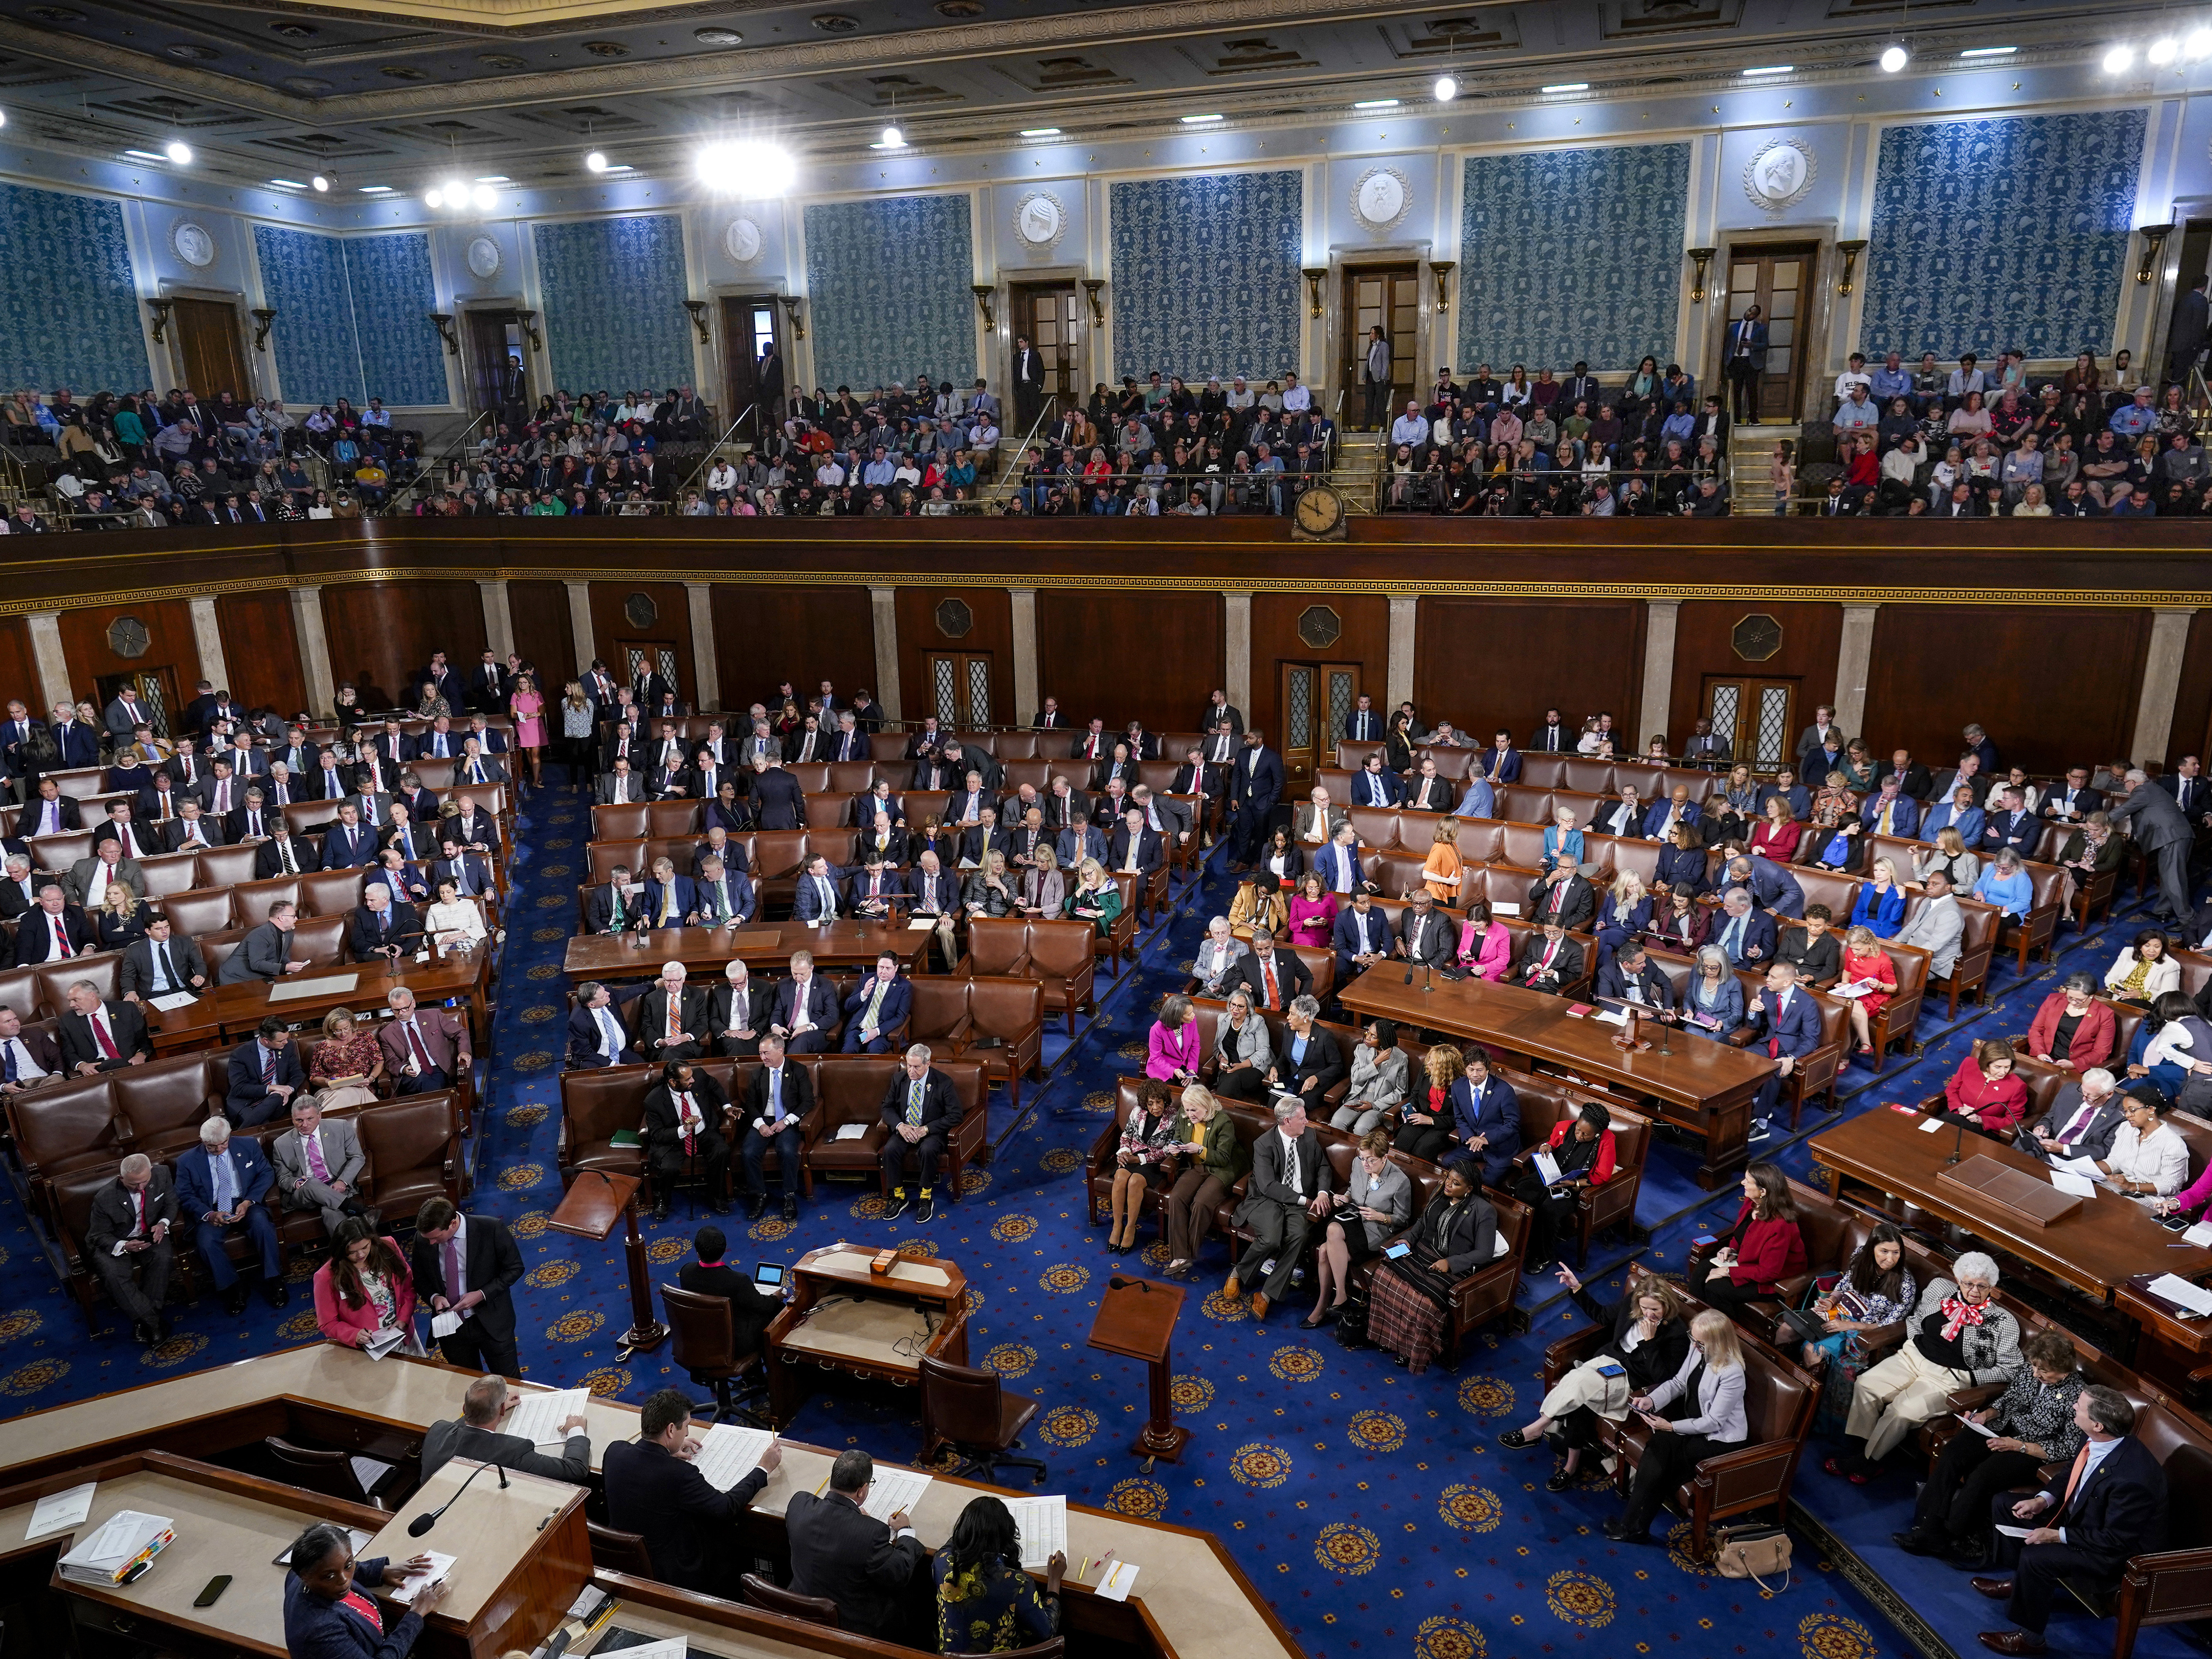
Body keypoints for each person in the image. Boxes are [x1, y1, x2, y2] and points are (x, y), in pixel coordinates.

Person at [1972, 1386, 2167, 1656]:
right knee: (2005, 1504)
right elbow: (2070, 1472)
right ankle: (2020, 1584)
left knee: (2037, 1558)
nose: (2074, 1407)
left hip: (2113, 1552)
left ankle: (2030, 1639)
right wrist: (2042, 1500)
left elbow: (2115, 1540)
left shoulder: (2133, 1479)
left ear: (2098, 1424)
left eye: (2080, 1406)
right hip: (2082, 1521)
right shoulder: (2094, 1439)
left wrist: (2056, 1535)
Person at [1893, 1329, 2086, 1565]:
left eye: (2044, 1371)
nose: (2036, 1374)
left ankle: (1949, 1534)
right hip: (2004, 1426)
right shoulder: (2030, 1370)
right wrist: (1986, 1415)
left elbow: (2067, 1448)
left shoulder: (2078, 1395)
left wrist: (2019, 1446)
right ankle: (1928, 1523)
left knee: (1983, 1475)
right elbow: (2009, 1399)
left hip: (2033, 1449)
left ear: (2065, 1368)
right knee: (1954, 1452)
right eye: (2034, 1367)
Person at [1832, 1251, 2022, 1480]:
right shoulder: (1939, 1289)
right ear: (1959, 1280)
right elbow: (1915, 1319)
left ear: (1992, 1287)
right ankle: (1858, 1448)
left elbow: (2013, 1369)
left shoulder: (2003, 1322)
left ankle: (1869, 1462)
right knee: (1866, 1385)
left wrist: (1972, 1378)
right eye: (1968, 1284)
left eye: (1982, 1286)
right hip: (1912, 1358)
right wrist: (1914, 1343)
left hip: (1949, 1378)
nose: (1974, 1291)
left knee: (1901, 1411)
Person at [1499, 1266, 1688, 1492]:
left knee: (1581, 1382)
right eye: (1644, 1308)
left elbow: (1664, 1377)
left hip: (1632, 1380)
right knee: (1582, 1394)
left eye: (1654, 1310)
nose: (1648, 1314)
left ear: (1666, 1305)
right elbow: (1602, 1315)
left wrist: (1650, 1343)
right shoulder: (1632, 1304)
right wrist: (1577, 1288)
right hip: (1607, 1363)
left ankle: (1537, 1428)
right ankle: (1571, 1465)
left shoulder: (1676, 1334)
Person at [604, 1387, 780, 1597]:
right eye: (686, 1426)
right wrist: (763, 1469)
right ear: (671, 1430)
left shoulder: (614, 1451)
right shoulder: (679, 1474)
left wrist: (668, 1450)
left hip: (622, 1561)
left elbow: (642, 1462)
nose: (687, 1433)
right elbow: (725, 1507)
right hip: (672, 1573)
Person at [1601, 1310, 1750, 1543]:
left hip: (1718, 1439)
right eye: (1693, 1338)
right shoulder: (1698, 1350)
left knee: (1663, 1458)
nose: (1694, 1345)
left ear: (1717, 1342)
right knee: (1658, 1448)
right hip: (1692, 1426)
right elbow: (1679, 1383)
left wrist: (1671, 1426)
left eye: (1701, 1342)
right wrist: (1652, 1400)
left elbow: (1714, 1422)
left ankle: (1633, 1526)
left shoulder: (1732, 1372)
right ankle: (1633, 1526)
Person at [1363, 1162, 1496, 1373]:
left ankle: (1410, 1351)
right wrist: (1407, 1239)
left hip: (1452, 1265)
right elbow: (1422, 1223)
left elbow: (1484, 1252)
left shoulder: (1483, 1211)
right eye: (1448, 1179)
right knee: (1383, 1276)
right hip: (1422, 1251)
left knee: (1423, 1303)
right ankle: (1388, 1337)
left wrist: (1451, 1263)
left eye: (1456, 1183)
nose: (1449, 1185)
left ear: (1469, 1189)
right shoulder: (1439, 1194)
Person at [786, 1447, 929, 1643]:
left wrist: (853, 1518)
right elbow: (899, 1572)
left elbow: (827, 1527)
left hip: (800, 1607)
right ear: (861, 1491)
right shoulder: (872, 1533)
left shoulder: (798, 1503)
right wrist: (905, 1531)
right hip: (849, 1625)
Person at [1227, 1097, 1332, 1320]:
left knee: (1299, 1235)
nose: (1307, 1122)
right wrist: (1306, 1201)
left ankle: (1266, 1294)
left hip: (1299, 1202)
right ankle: (1240, 1272)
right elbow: (1268, 1186)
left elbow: (1323, 1166)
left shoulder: (1309, 1137)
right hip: (1268, 1199)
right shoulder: (1264, 1144)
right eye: (1302, 1119)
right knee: (1272, 1239)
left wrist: (1322, 1192)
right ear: (1287, 1121)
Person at [282, 1520, 448, 1659]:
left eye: (349, 1565)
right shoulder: (320, 1632)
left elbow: (336, 1565)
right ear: (305, 1577)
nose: (344, 1580)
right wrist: (416, 1615)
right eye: (329, 1577)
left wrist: (381, 1571)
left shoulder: (299, 1575)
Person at [1304, 1129, 1412, 1329]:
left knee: (1327, 1248)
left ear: (1384, 1158)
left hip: (1376, 1232)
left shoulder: (1400, 1181)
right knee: (1332, 1235)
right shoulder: (1358, 1164)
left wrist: (1381, 1216)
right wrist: (1344, 1198)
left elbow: (1403, 1220)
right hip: (1353, 1219)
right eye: (1362, 1158)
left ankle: (1325, 1305)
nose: (1365, 1164)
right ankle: (1339, 1298)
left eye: (1370, 1160)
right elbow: (1353, 1191)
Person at [178, 1115, 284, 1314]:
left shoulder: (248, 1145)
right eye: (212, 1147)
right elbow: (185, 1195)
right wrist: (209, 1215)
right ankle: (235, 1288)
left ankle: (275, 1280)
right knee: (206, 1242)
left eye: (223, 1144)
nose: (219, 1149)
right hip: (212, 1209)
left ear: (230, 1136)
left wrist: (249, 1201)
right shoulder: (187, 1161)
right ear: (203, 1141)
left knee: (262, 1224)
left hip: (245, 1202)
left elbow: (266, 1173)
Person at [934, 1492, 1065, 1653]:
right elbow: (1046, 1633)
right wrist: (1054, 1581)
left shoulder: (942, 1562)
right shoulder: (1018, 1584)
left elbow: (954, 1542)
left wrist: (973, 1527)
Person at [410, 1197, 524, 1376]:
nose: (431, 1243)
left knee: (509, 1382)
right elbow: (420, 1279)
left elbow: (515, 1268)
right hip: (451, 1327)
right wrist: (435, 1297)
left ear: (453, 1223)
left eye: (436, 1238)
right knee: (467, 1383)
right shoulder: (423, 1239)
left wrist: (481, 1294)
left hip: (491, 1321)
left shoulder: (491, 1229)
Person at [1787, 1221, 1915, 1377]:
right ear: (1872, 1249)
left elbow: (1890, 1324)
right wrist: (1831, 1300)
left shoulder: (1906, 1284)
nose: (1890, 1259)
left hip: (1864, 1327)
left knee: (1812, 1351)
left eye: (1896, 1252)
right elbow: (1845, 1284)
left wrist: (1850, 1325)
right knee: (1787, 1329)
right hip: (1838, 1310)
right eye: (1884, 1251)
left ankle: (1808, 1391)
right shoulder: (1861, 1256)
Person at [422, 1370, 589, 1483]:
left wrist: (490, 1407)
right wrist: (576, 1430)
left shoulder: (438, 1430)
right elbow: (575, 1470)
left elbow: (463, 1427)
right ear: (502, 1409)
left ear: (464, 1409)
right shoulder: (513, 1451)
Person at [1511, 1100, 1616, 1274]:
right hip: (1551, 1175)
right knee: (1523, 1191)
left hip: (1573, 1187)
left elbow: (1602, 1176)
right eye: (1579, 1130)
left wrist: (1574, 1184)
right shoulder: (1565, 1126)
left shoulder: (1607, 1141)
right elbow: (1552, 1143)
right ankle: (1523, 1244)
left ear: (1597, 1134)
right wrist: (1547, 1147)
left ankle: (1543, 1255)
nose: (1580, 1136)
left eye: (1586, 1135)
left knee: (1549, 1208)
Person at [1694, 1160, 1807, 1313]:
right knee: (1702, 1269)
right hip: (1747, 1264)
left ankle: (1721, 1333)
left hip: (1774, 1281)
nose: (1742, 1183)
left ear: (1763, 1191)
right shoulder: (1751, 1202)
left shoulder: (1781, 1226)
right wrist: (1732, 1249)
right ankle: (1696, 1319)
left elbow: (1768, 1273)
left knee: (1715, 1288)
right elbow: (1742, 1232)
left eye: (1748, 1181)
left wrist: (1728, 1271)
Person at [86, 1153, 176, 1345]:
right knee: (113, 1276)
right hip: (115, 1241)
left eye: (144, 1182)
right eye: (134, 1184)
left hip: (148, 1235)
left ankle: (143, 1322)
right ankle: (153, 1322)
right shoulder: (105, 1198)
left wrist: (163, 1224)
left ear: (151, 1171)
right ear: (121, 1179)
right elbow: (98, 1236)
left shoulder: (162, 1174)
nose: (141, 1188)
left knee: (163, 1258)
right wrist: (124, 1245)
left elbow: (171, 1203)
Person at [312, 1217, 418, 1354]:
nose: (360, 1255)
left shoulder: (388, 1247)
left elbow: (408, 1288)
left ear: (372, 1240)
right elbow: (328, 1323)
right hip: (367, 1347)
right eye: (352, 1252)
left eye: (365, 1247)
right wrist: (354, 1335)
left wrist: (404, 1318)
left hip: (401, 1335)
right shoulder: (326, 1277)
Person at [679, 1223, 782, 1362]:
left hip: (698, 1338)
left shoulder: (686, 1272)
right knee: (776, 1311)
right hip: (733, 1344)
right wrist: (776, 1298)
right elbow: (762, 1306)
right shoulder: (738, 1281)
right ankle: (763, 1375)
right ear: (724, 1250)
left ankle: (755, 1376)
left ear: (697, 1252)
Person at [644, 1060, 732, 1222]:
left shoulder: (698, 1076)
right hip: (674, 1140)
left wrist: (727, 1106)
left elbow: (714, 1086)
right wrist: (684, 1129)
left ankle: (717, 1196)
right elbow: (657, 1134)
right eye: (687, 1080)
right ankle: (663, 1201)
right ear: (673, 1082)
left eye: (692, 1077)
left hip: (703, 1134)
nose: (693, 1081)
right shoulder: (654, 1100)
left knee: (722, 1151)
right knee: (669, 1168)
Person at [882, 1043, 959, 1222]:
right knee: (890, 1149)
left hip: (931, 1132)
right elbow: (886, 1107)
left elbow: (956, 1115)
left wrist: (926, 1129)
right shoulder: (899, 1080)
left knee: (928, 1150)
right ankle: (899, 1196)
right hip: (906, 1129)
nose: (911, 1071)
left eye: (916, 1067)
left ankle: (925, 1197)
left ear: (928, 1064)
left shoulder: (944, 1083)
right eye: (909, 1066)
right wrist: (900, 1126)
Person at [2110, 767, 2195, 926]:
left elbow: (2123, 810)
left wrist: (2097, 822)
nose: (2125, 786)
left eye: (2125, 783)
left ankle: (2188, 919)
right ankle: (2162, 911)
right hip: (2176, 836)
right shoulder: (2151, 788)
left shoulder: (2142, 791)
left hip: (2172, 838)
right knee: (2168, 877)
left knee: (2174, 879)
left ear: (2133, 783)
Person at [275, 1095, 371, 1234]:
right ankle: (360, 1211)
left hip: (336, 1186)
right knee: (311, 1183)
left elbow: (357, 1157)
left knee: (331, 1213)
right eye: (299, 1120)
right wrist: (296, 1183)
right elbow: (283, 1178)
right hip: (305, 1194)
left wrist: (342, 1181)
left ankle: (347, 1252)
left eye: (310, 1119)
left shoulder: (340, 1127)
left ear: (319, 1115)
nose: (305, 1125)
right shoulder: (281, 1144)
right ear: (293, 1119)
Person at [1106, 1077, 1182, 1254]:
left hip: (1155, 1163)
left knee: (1134, 1182)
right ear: (1145, 1104)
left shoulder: (1174, 1118)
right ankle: (1117, 1226)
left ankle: (1131, 1227)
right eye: (1150, 1104)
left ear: (1165, 1100)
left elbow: (1169, 1150)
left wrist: (1140, 1160)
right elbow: (1126, 1135)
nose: (1155, 1107)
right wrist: (1124, 1152)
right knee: (1120, 1177)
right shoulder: (1137, 1111)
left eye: (1158, 1102)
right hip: (1133, 1156)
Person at [2026, 971, 2116, 1070]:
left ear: (2092, 996)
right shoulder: (2053, 1000)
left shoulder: (2105, 1014)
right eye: (2070, 997)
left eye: (2079, 1000)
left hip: (2075, 1066)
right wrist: (2040, 1053)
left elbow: (2102, 1051)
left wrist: (2074, 1064)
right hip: (2044, 1058)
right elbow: (2036, 1030)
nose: (2074, 1002)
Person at [1943, 1039, 2031, 1139]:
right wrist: (1960, 1108)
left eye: (2007, 1067)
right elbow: (1952, 1089)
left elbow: (2013, 1121)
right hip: (1957, 1114)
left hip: (1985, 1129)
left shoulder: (2017, 1086)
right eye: (1998, 1067)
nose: (2003, 1072)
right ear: (1986, 1063)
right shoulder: (1969, 1064)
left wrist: (1980, 1119)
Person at [1332, 1018, 1407, 1134]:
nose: (1367, 1038)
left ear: (1383, 1039)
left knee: (1361, 1128)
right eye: (1368, 1033)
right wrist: (1376, 1063)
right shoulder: (1361, 1050)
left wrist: (1374, 1105)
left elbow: (1400, 1092)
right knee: (1337, 1121)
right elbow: (1356, 1078)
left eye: (1373, 1036)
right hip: (1358, 1098)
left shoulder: (1400, 1058)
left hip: (1379, 1105)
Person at [308, 1008, 384, 1110]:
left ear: (352, 1024)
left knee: (351, 1093)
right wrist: (329, 1083)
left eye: (346, 1028)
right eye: (338, 1031)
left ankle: (318, 1123)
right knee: (347, 1093)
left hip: (361, 1086)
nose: (343, 1033)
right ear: (331, 1029)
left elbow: (379, 1061)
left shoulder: (366, 1038)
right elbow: (314, 1077)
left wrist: (371, 1078)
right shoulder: (321, 1047)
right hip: (332, 1091)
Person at [1206, 986, 1273, 1102]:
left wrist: (1241, 1066)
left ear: (1249, 1008)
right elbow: (1216, 1047)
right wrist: (1222, 1059)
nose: (1235, 1009)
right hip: (1230, 1068)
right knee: (1230, 1081)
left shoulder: (1257, 1022)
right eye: (1233, 1005)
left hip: (1253, 1068)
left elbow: (1264, 1052)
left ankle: (1217, 1109)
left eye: (1241, 1007)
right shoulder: (1223, 1019)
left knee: (1233, 1080)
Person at [2104, 928, 2179, 1008]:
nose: (2152, 951)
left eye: (2157, 947)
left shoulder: (2171, 965)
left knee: (2126, 1005)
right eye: (2147, 946)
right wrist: (2115, 988)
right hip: (2119, 997)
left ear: (2163, 948)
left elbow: (2169, 995)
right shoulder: (2127, 953)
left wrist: (2142, 995)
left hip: (2147, 1003)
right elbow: (2111, 978)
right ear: (2140, 946)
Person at [1147, 993, 1202, 1086]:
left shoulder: (1191, 1021)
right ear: (1177, 1017)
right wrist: (1173, 1071)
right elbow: (1156, 1057)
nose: (1194, 1015)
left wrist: (1192, 1068)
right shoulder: (1157, 1030)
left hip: (1185, 1065)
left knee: (1193, 1094)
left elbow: (1195, 1045)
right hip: (1163, 1071)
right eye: (1189, 1014)